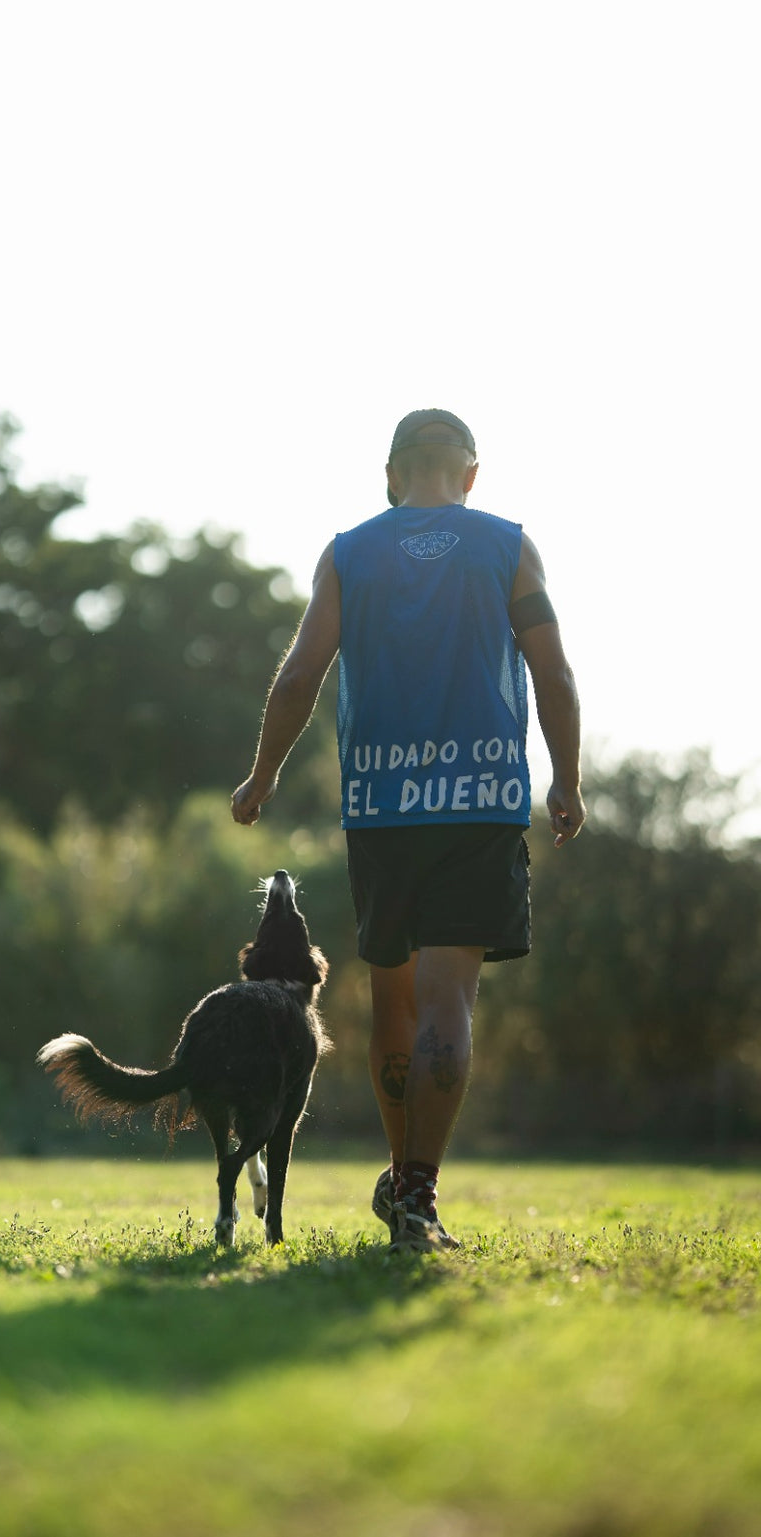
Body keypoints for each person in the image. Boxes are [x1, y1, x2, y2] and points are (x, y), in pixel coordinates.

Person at [231, 408, 584, 1252]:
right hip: (481, 802)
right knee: (448, 998)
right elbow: (553, 670)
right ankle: (417, 1194)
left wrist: (263, 773)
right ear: (468, 474)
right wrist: (567, 779)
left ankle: (403, 1180)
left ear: (392, 475)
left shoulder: (350, 552)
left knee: (393, 996)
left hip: (383, 807)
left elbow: (300, 674)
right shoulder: (507, 546)